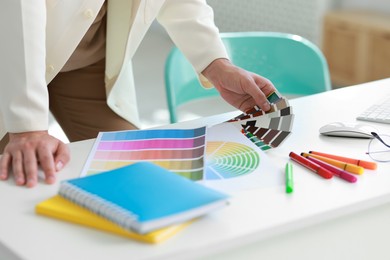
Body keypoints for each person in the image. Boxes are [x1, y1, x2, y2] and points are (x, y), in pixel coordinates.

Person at [0, 0, 276, 188]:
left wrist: (215, 64)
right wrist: (27, 129)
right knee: (20, 178)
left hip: (90, 60)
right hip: (10, 59)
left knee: (133, 177)